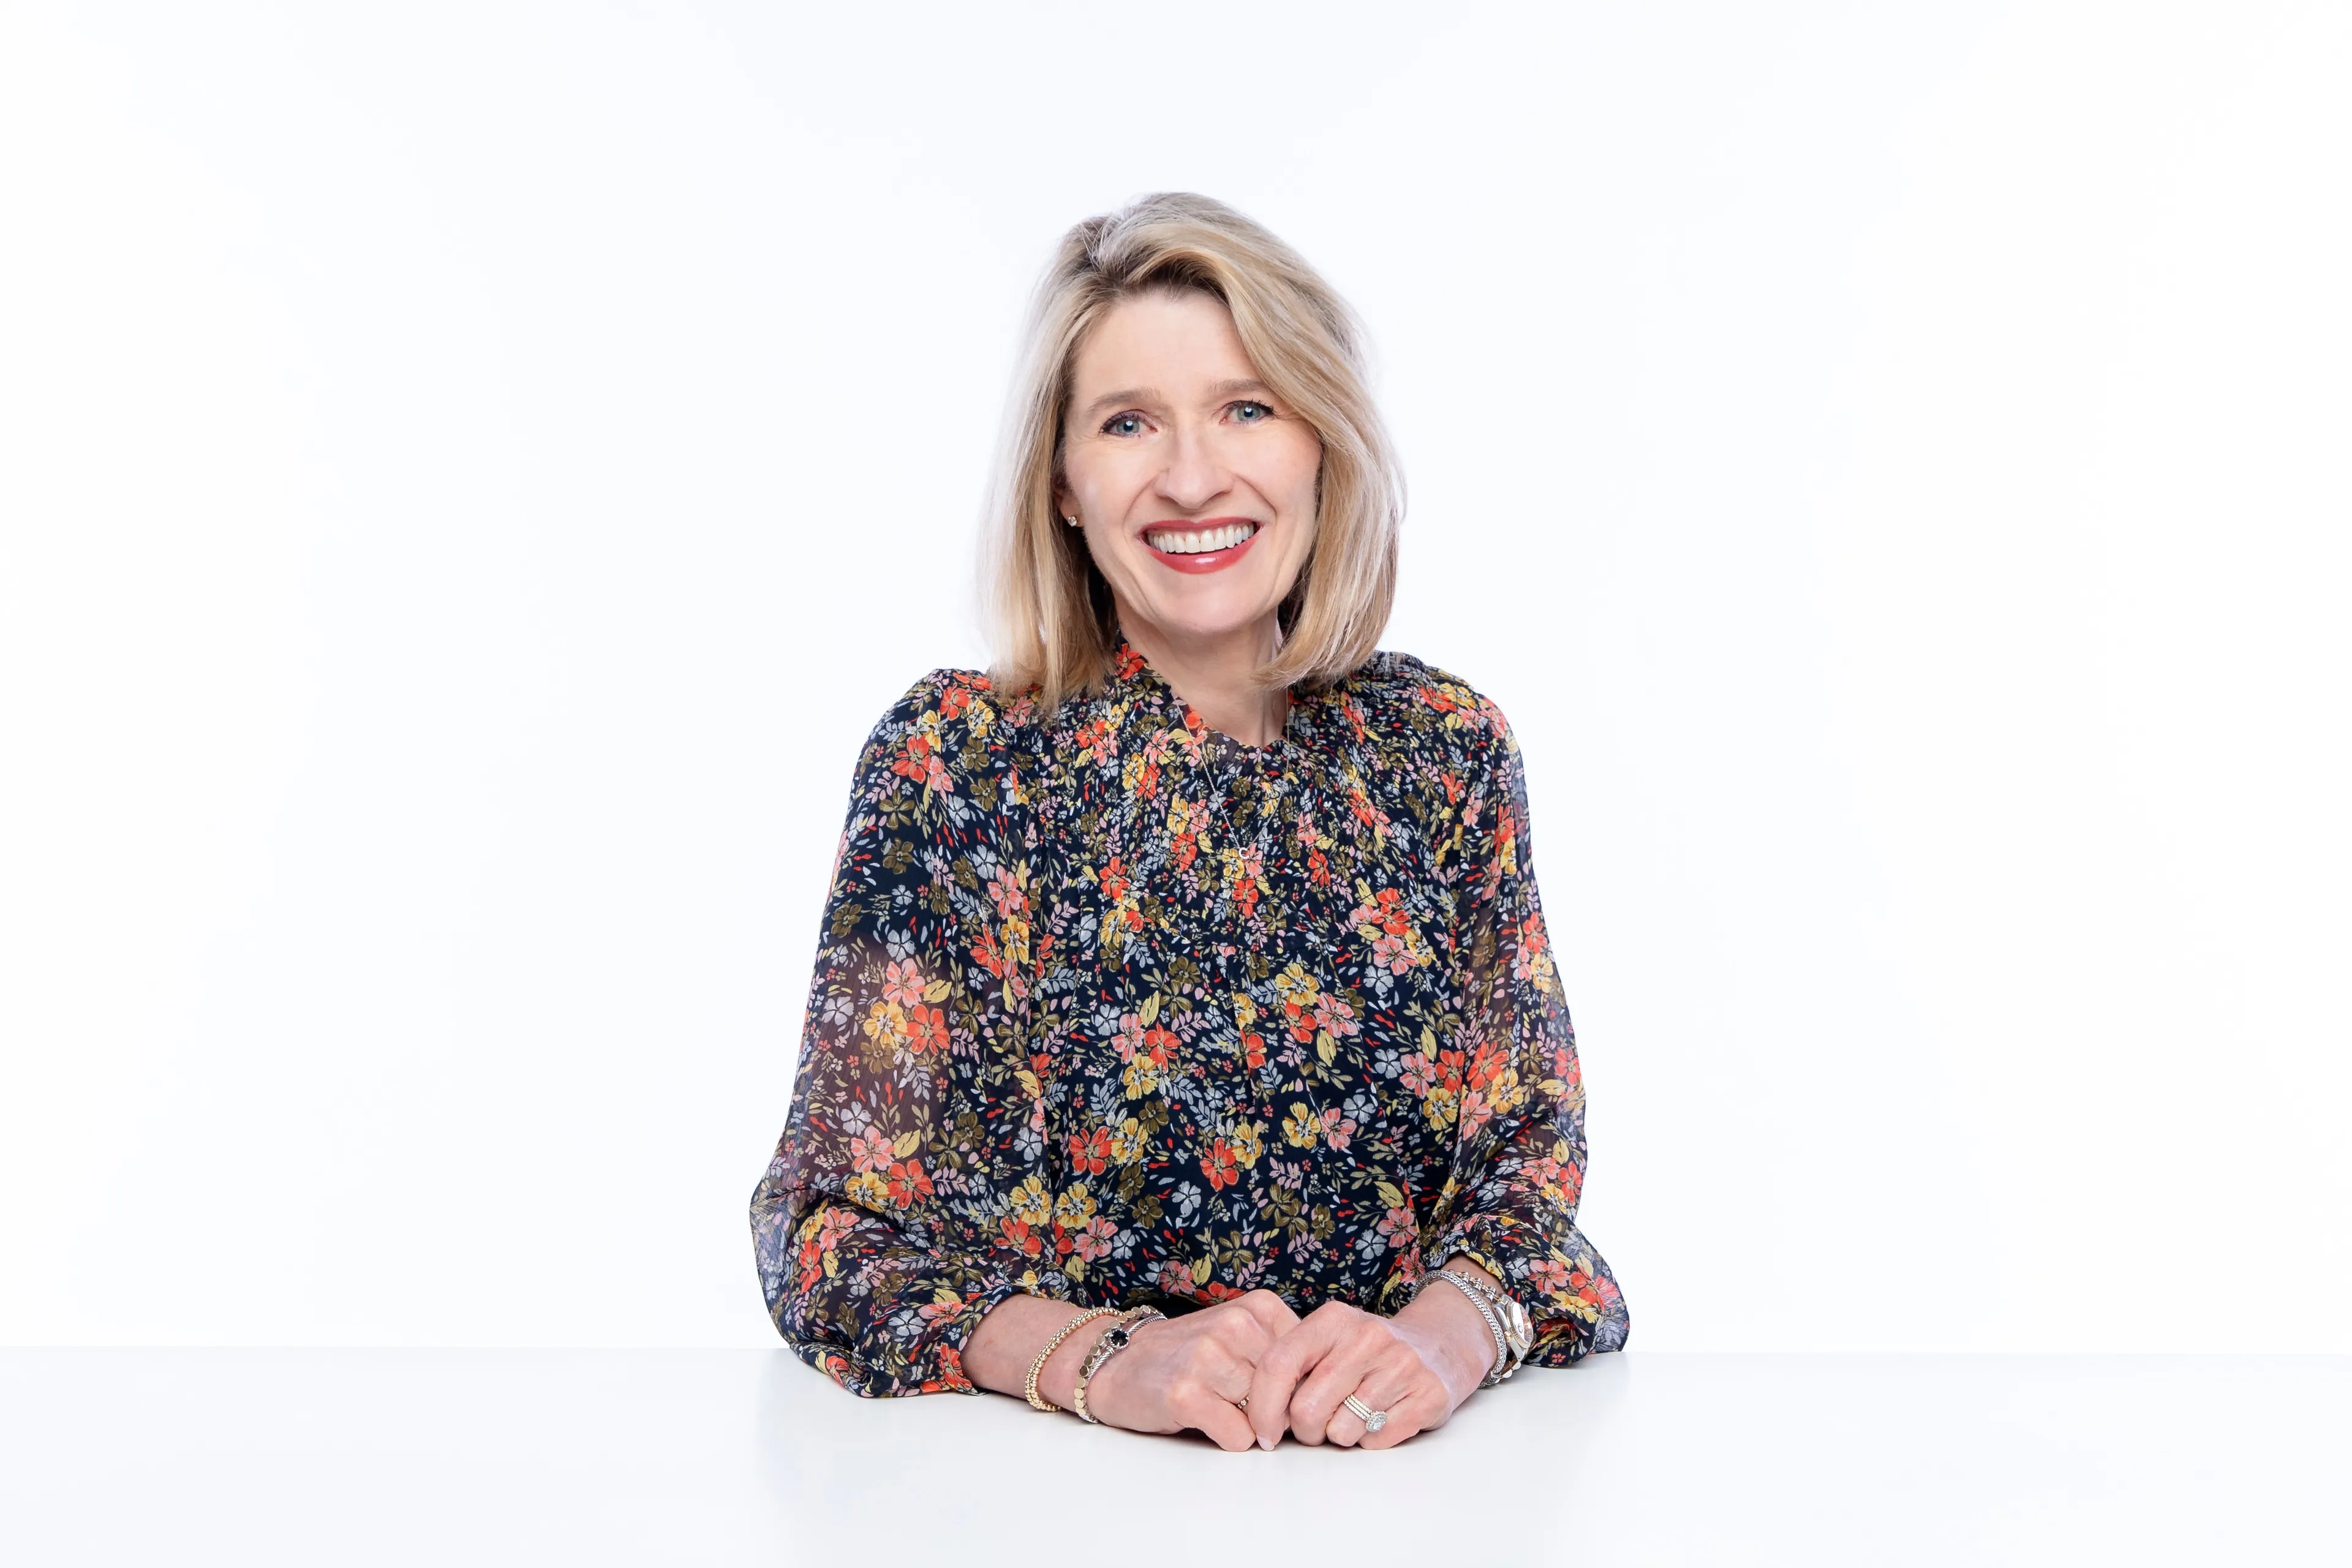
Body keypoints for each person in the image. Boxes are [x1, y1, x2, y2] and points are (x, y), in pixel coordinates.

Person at [750, 192, 1627, 1452]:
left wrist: (1441, 1340)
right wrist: (1101, 1361)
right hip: (1039, 1496)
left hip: (1406, 1494)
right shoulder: (957, 763)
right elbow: (830, 1231)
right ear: (1064, 482)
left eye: (1246, 408)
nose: (1194, 475)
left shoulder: (1445, 750)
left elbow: (1525, 1181)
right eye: (1128, 422)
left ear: (1321, 442)